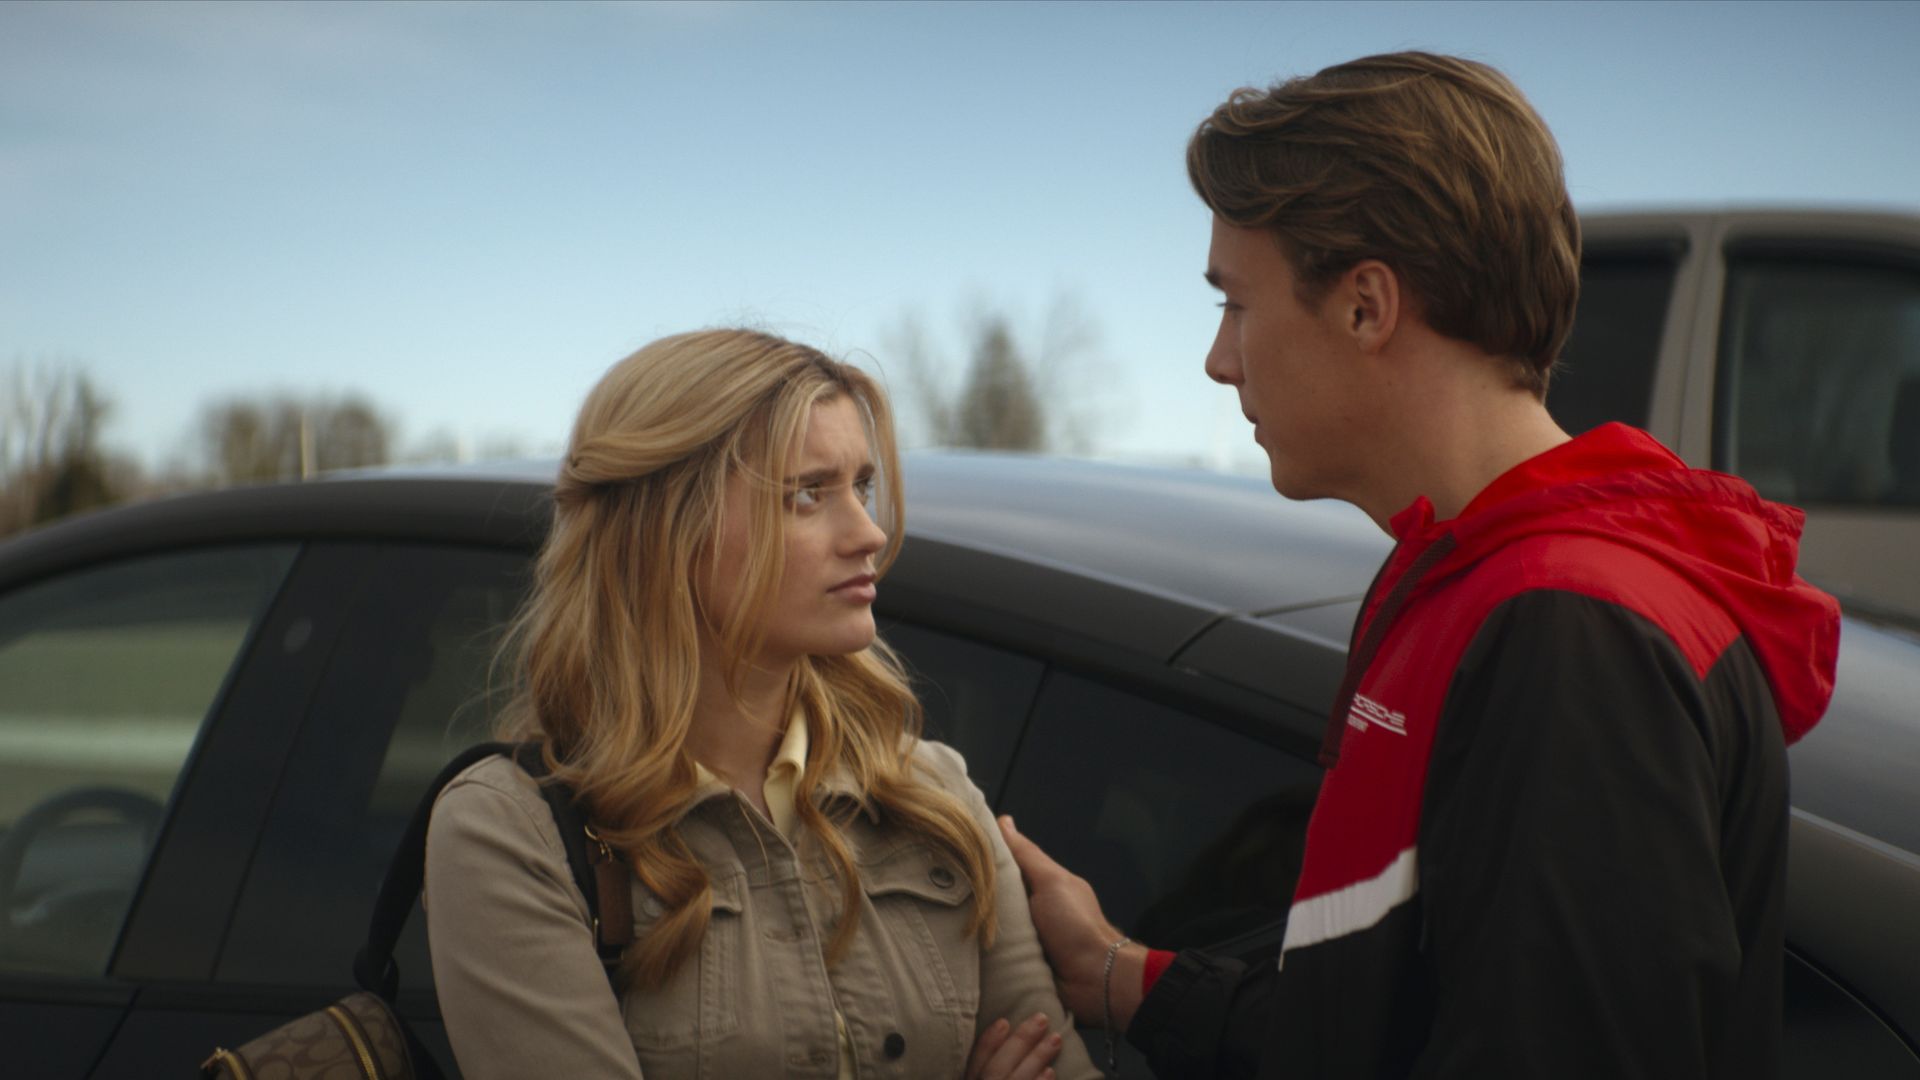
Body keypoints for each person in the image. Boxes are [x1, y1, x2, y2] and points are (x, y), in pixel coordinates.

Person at [999, 51, 1841, 1079]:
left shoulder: (1570, 634)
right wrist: (1121, 980)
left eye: (1234, 302)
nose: (1220, 360)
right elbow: (1398, 1024)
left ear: (1366, 306)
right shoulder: (1472, 578)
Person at [425, 329, 1098, 1080]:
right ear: (667, 529)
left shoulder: (932, 792)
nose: (869, 532)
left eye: (862, 487)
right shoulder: (512, 835)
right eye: (808, 493)